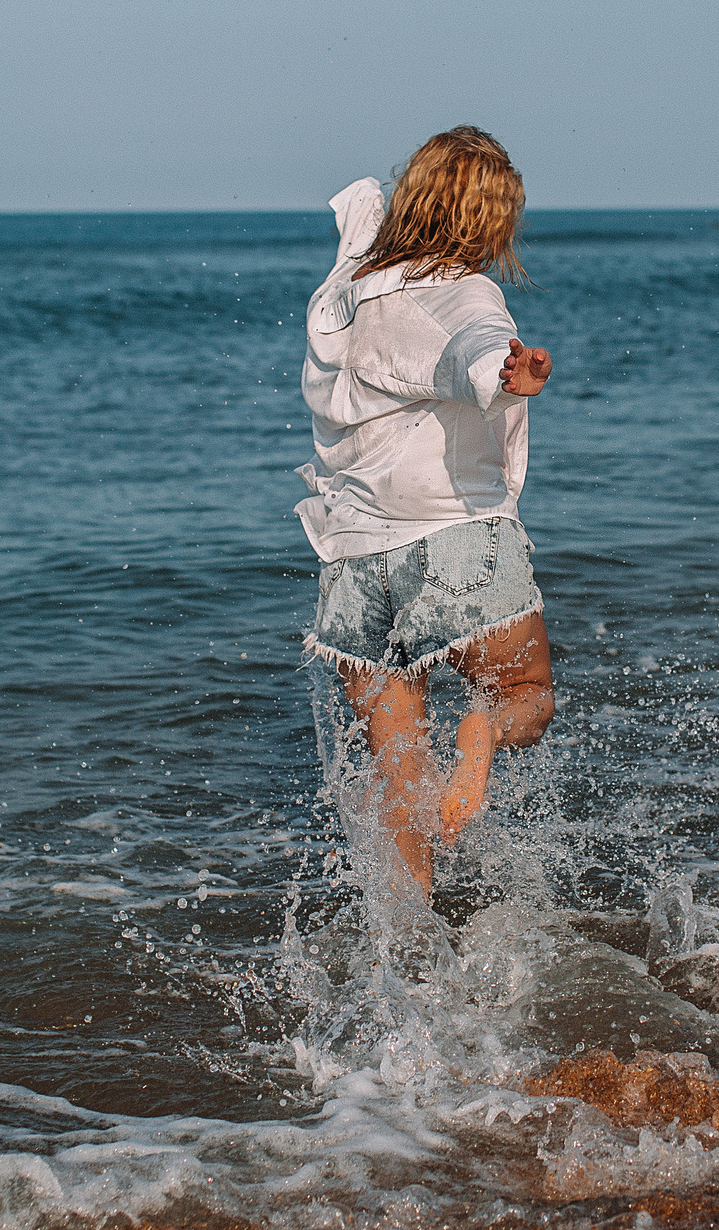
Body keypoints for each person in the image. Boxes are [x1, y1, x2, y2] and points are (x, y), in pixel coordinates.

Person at [295, 126, 555, 896]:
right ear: (492, 222)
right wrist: (509, 372)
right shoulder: (468, 293)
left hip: (352, 560)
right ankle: (482, 727)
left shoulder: (343, 291)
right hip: (455, 542)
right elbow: (474, 345)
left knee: (401, 777)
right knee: (525, 698)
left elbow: (363, 218)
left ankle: (408, 938)